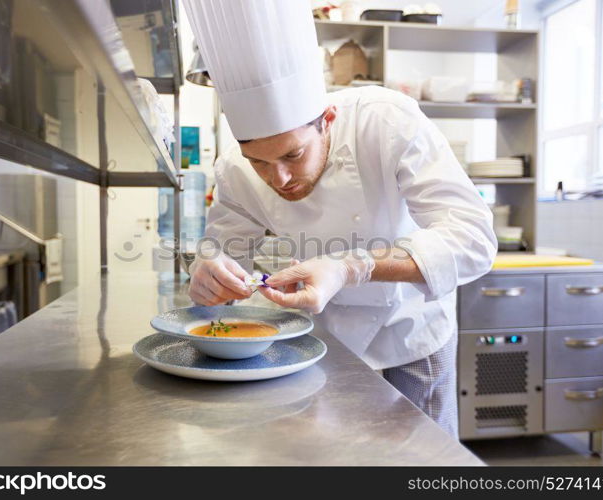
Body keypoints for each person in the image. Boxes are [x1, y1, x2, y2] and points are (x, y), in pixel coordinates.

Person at [183, 0, 497, 437]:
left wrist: (354, 267)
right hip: (321, 340)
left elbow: (474, 240)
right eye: (260, 162)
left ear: (326, 120)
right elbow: (221, 251)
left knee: (423, 462)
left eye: (294, 154)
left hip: (410, 332)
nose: (281, 178)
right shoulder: (235, 166)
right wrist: (208, 274)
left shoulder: (386, 121)